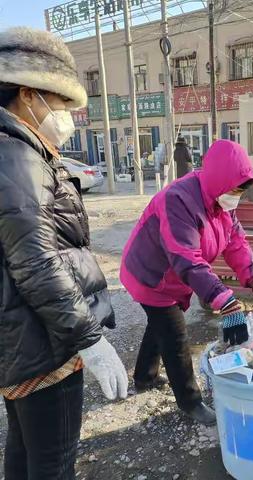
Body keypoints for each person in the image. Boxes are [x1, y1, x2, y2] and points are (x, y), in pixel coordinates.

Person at [0, 27, 128, 479]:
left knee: (24, 452)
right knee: (52, 462)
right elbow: (36, 262)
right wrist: (88, 338)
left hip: (24, 338)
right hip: (43, 342)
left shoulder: (18, 149)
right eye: (61, 105)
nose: (67, 117)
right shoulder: (16, 155)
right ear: (29, 94)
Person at [120, 139, 253, 424]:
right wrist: (225, 300)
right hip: (151, 276)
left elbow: (236, 242)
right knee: (174, 336)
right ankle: (190, 401)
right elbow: (187, 258)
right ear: (220, 180)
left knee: (159, 325)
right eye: (235, 190)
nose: (237, 196)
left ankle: (144, 377)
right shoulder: (179, 200)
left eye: (241, 190)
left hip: (173, 278)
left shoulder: (222, 202)